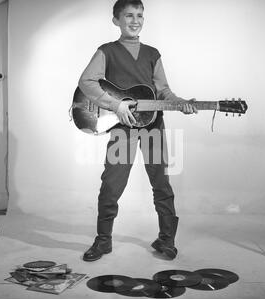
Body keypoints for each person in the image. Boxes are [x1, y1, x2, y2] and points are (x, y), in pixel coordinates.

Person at [78, 0, 197, 262]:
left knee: (160, 182)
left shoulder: (153, 53)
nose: (135, 20)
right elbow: (86, 82)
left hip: (153, 126)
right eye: (129, 15)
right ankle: (103, 240)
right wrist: (116, 104)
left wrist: (181, 103)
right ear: (116, 20)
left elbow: (163, 90)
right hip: (123, 128)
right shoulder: (106, 51)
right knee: (111, 183)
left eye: (140, 15)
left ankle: (166, 240)